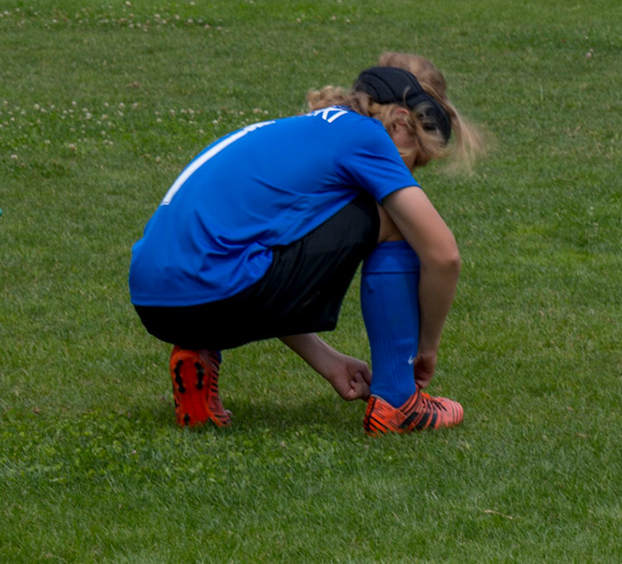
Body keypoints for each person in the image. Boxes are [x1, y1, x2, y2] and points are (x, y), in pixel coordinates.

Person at [128, 54, 483, 434]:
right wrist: (425, 350)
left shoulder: (295, 131)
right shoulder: (366, 136)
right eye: (413, 161)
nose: (407, 175)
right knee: (400, 222)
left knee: (230, 254)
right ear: (399, 121)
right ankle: (399, 403)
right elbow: (443, 255)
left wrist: (327, 360)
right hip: (216, 288)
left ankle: (196, 352)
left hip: (158, 300)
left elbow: (257, 253)